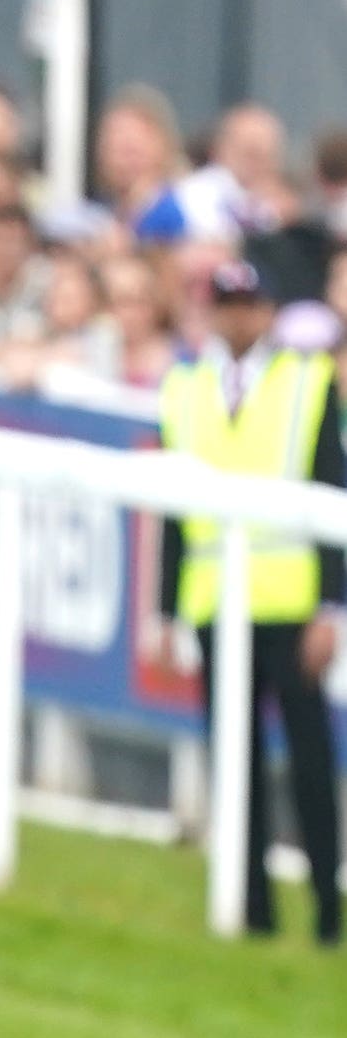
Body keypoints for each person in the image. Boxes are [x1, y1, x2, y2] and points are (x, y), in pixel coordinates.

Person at [158, 261, 346, 942]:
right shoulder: (183, 387)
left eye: (248, 305)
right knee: (230, 763)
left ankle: (328, 905)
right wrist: (163, 611)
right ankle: (252, 910)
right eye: (226, 305)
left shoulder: (306, 381)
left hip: (290, 605)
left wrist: (331, 608)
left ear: (265, 312)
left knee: (308, 762)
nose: (237, 318)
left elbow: (331, 492)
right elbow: (173, 510)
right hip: (215, 602)